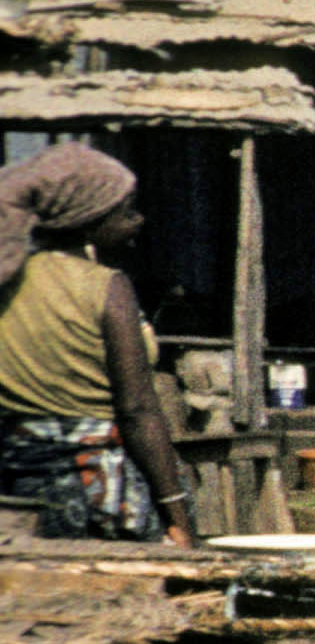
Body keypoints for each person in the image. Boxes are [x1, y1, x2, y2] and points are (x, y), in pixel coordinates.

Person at [0, 145, 193, 544]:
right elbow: (137, 409)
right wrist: (176, 511)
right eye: (127, 211)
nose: (138, 220)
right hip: (95, 492)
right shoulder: (105, 287)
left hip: (17, 487)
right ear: (88, 221)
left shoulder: (9, 282)